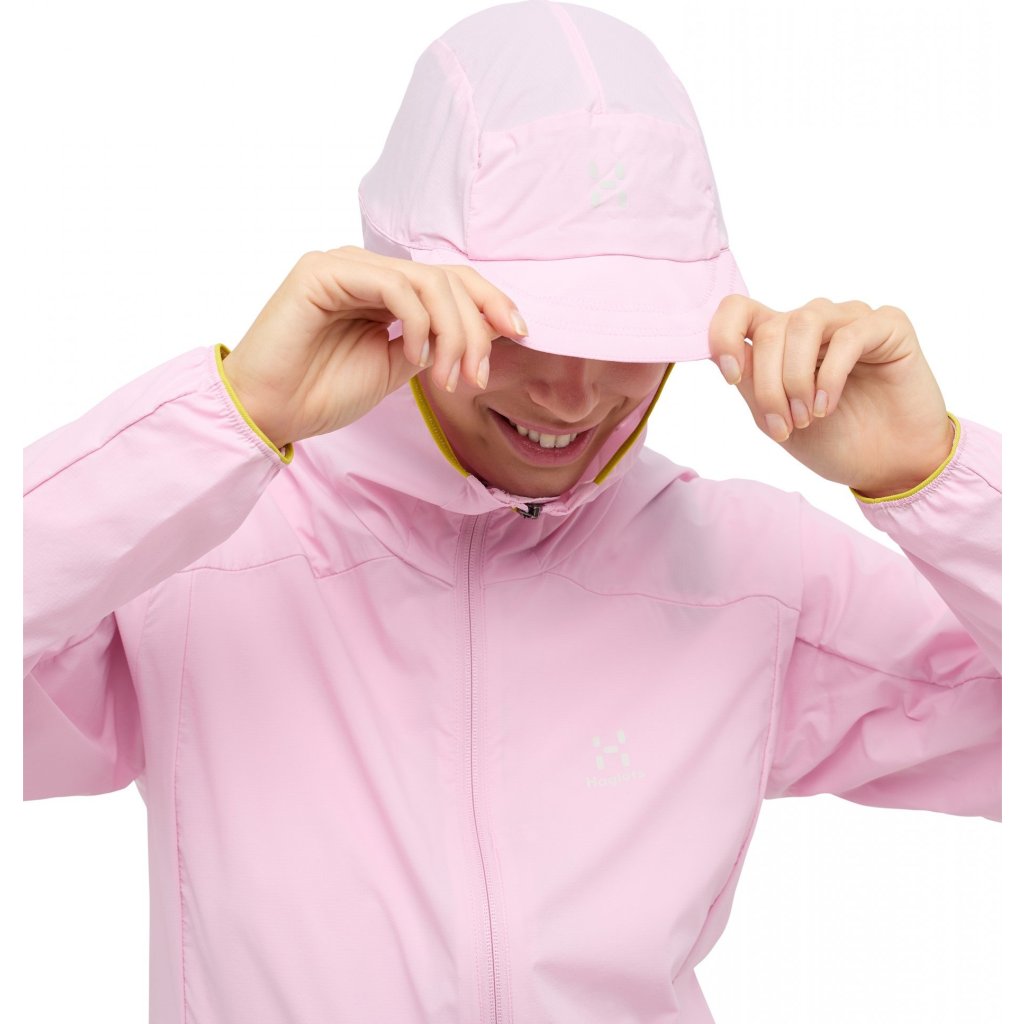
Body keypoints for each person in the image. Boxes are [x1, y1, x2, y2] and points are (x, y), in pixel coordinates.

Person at [22, 2, 1000, 1022]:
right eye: (522, 324)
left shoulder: (750, 573)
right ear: (398, 283)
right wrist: (232, 418)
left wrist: (933, 477)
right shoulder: (196, 552)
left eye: (624, 328)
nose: (573, 396)